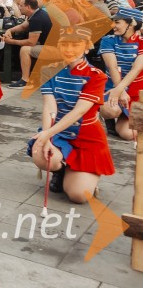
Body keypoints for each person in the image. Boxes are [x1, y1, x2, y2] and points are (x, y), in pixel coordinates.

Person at [28, 26, 114, 204]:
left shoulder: (96, 76)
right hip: (59, 132)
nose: (68, 49)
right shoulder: (48, 70)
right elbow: (49, 106)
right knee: (40, 154)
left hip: (87, 137)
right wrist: (47, 137)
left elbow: (79, 111)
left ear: (87, 47)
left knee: (78, 196)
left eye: (75, 44)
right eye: (64, 44)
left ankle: (85, 176)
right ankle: (60, 170)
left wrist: (47, 134)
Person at [98, 7, 143, 141]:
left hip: (136, 92)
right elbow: (112, 67)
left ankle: (122, 119)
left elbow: (136, 69)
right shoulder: (108, 39)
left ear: (132, 24)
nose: (113, 25)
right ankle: (107, 116)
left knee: (128, 134)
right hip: (112, 87)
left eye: (117, 22)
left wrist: (121, 90)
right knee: (111, 111)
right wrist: (120, 90)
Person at [4, 0, 54, 89]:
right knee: (25, 47)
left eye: (21, 5)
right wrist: (10, 30)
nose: (19, 7)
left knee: (25, 49)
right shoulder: (37, 13)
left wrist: (11, 41)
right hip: (51, 45)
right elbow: (23, 26)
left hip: (57, 49)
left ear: (28, 7)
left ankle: (25, 80)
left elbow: (31, 42)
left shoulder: (37, 19)